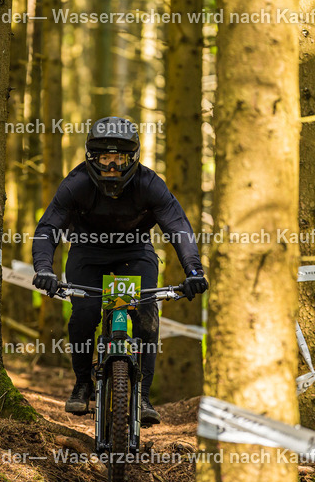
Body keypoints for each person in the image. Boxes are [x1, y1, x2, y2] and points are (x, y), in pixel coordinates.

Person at [31, 116, 208, 425]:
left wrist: (194, 270)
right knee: (85, 313)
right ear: (93, 158)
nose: (112, 166)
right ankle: (83, 383)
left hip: (134, 253)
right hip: (87, 253)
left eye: (120, 158)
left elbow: (178, 227)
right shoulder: (76, 184)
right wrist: (44, 268)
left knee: (143, 312)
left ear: (132, 159)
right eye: (105, 158)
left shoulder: (149, 184)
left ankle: (142, 396)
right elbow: (48, 228)